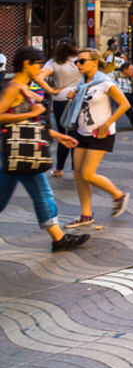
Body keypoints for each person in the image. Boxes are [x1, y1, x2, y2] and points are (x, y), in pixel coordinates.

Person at [0, 46, 90, 251]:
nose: (41, 70)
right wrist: (33, 111)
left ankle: (58, 238)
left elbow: (30, 125)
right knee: (43, 193)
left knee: (3, 195)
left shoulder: (25, 87)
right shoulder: (14, 87)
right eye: (38, 65)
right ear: (26, 64)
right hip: (18, 151)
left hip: (20, 150)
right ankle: (58, 238)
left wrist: (58, 136)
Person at [59, 48, 131, 228]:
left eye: (82, 61)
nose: (78, 65)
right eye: (77, 62)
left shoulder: (105, 83)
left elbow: (124, 104)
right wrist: (73, 97)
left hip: (100, 133)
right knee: (78, 175)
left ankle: (118, 195)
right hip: (82, 132)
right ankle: (86, 214)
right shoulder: (83, 83)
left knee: (87, 173)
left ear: (95, 62)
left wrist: (107, 123)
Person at [35, 40, 80, 178]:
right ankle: (76, 169)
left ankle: (59, 169)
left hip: (61, 99)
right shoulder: (79, 60)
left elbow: (38, 77)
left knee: (63, 133)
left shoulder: (53, 62)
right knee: (75, 132)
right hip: (78, 98)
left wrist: (51, 90)